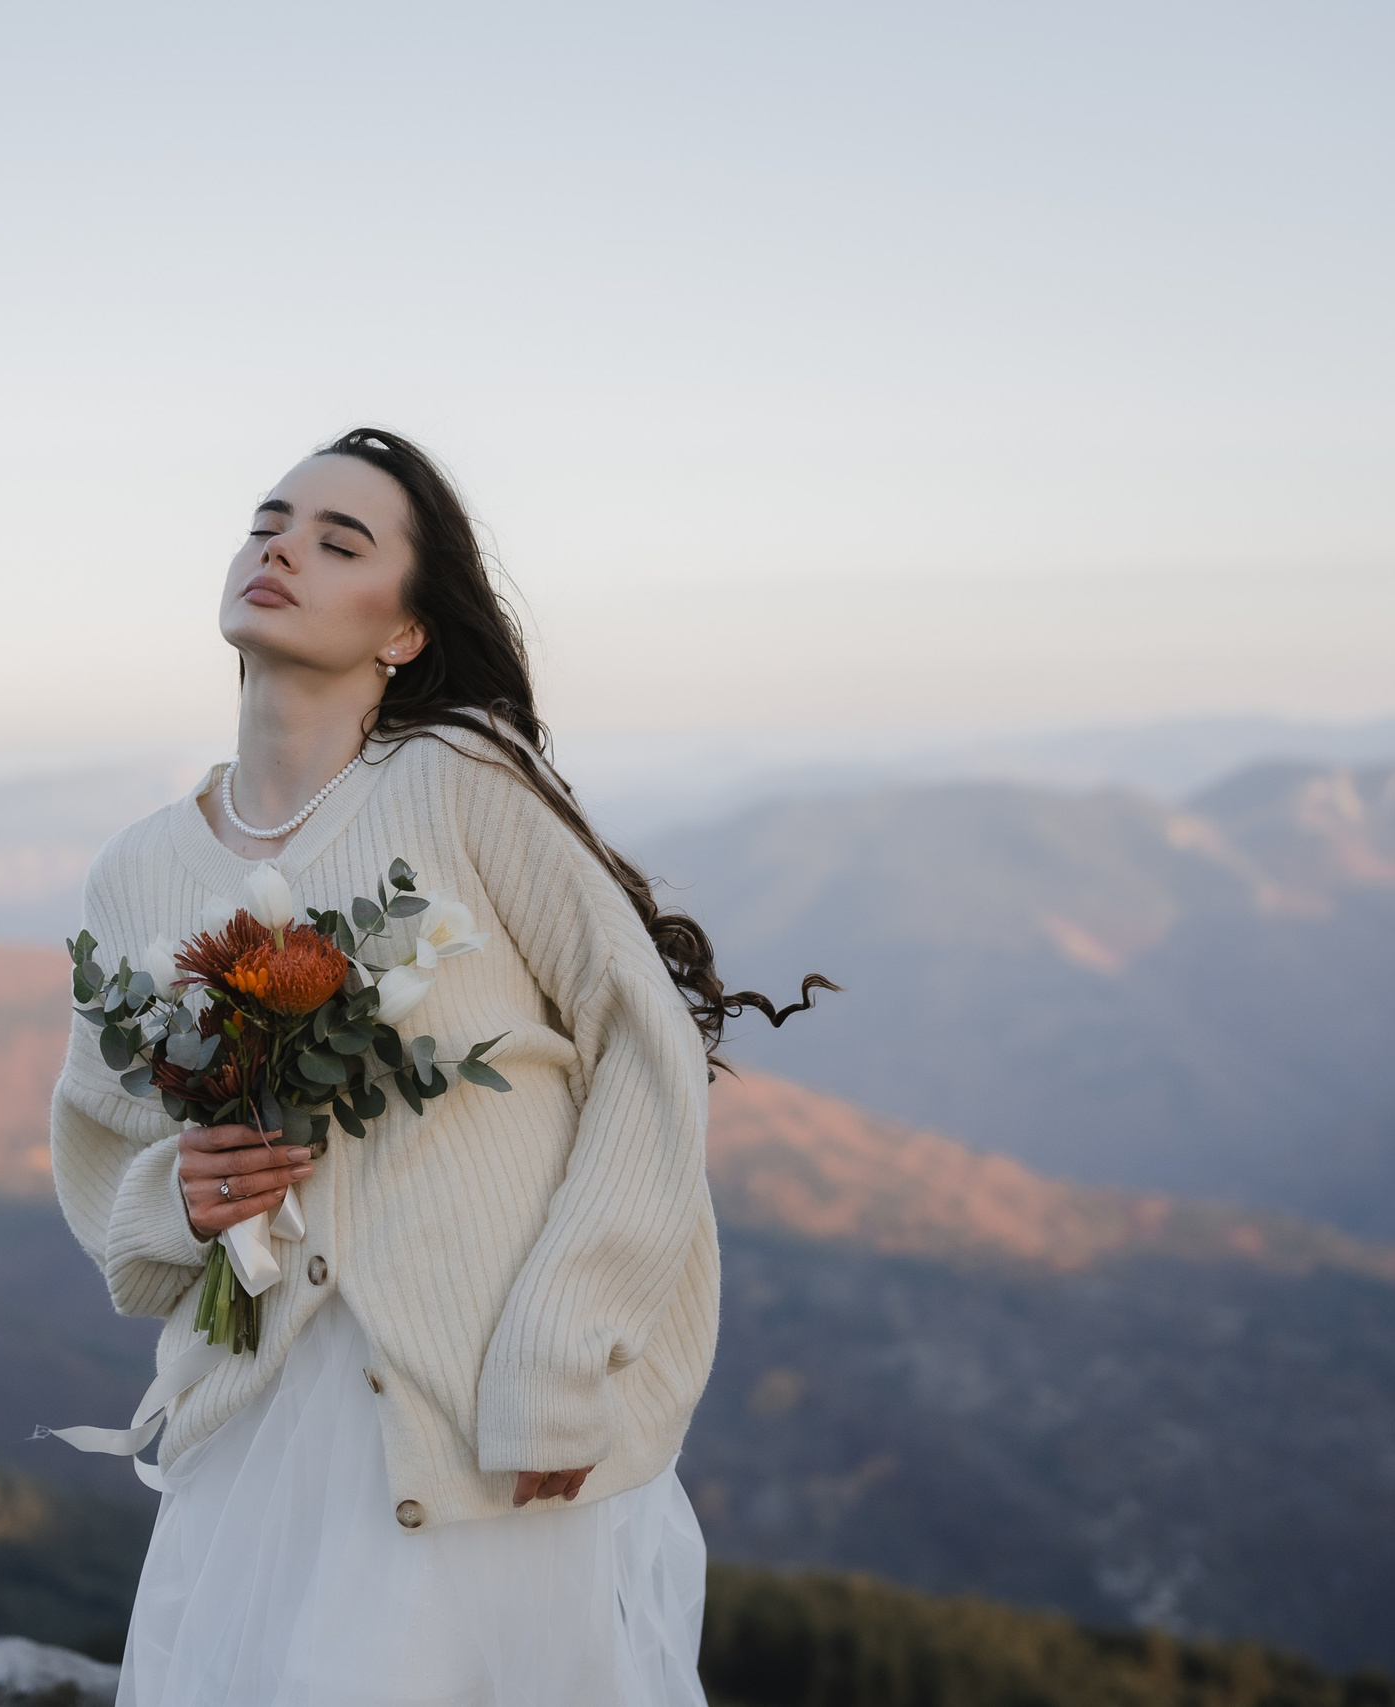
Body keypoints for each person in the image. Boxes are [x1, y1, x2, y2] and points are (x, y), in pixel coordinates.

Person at [45, 426, 821, 1706]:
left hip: (483, 1422)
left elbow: (642, 1045)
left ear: (404, 630)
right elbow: (102, 1137)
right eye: (266, 524)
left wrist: (561, 1350)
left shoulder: (461, 781)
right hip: (259, 1440)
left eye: (338, 541)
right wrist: (174, 1200)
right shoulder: (135, 871)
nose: (280, 549)